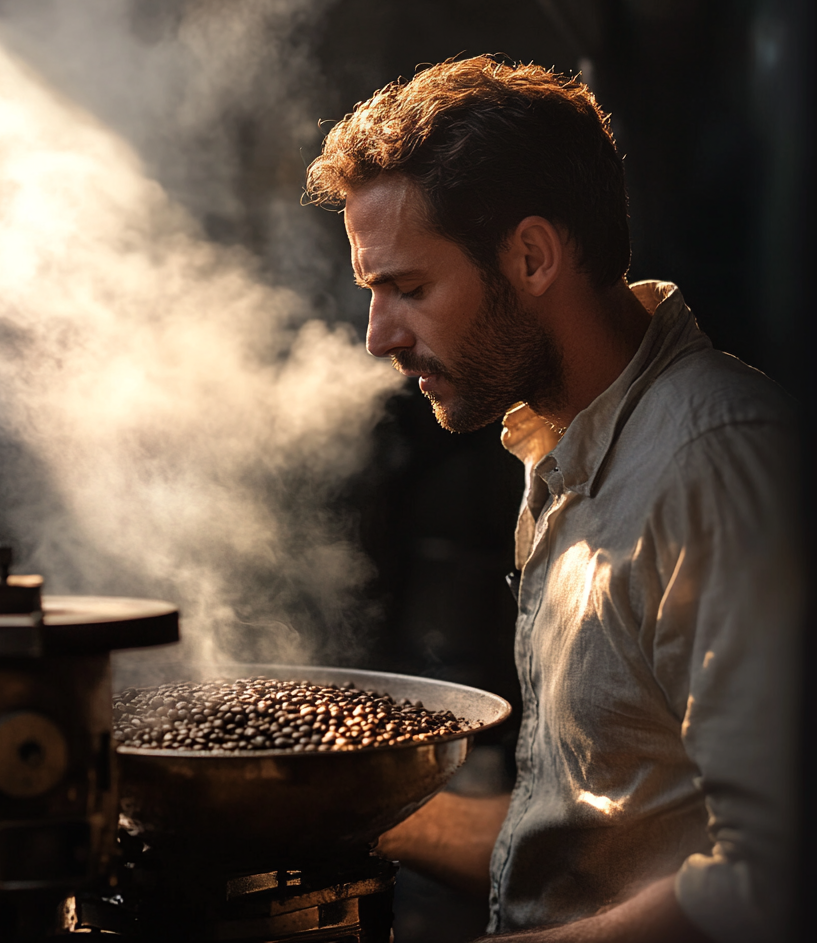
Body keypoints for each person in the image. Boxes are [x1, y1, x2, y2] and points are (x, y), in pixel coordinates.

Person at [306, 57, 800, 942]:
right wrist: (322, 806)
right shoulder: (565, 451)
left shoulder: (717, 464)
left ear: (531, 257)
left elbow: (774, 883)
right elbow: (586, 836)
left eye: (409, 289)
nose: (379, 336)